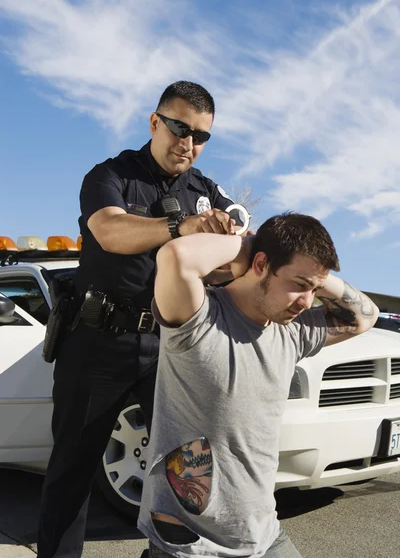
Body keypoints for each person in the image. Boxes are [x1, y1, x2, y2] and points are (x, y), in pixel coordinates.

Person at [37, 81, 241, 558]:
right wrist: (182, 227)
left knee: (188, 474)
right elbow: (108, 231)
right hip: (97, 345)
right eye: (179, 128)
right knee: (72, 474)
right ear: (155, 122)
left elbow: (228, 261)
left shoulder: (206, 191)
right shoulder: (110, 175)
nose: (189, 143)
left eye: (201, 136)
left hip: (171, 351)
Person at [137, 212, 379, 558]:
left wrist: (313, 275)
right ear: (261, 263)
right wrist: (249, 245)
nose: (307, 302)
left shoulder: (292, 331)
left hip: (263, 533)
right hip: (191, 541)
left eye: (314, 289)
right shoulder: (200, 317)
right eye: (299, 284)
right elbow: (175, 256)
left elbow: (365, 316)